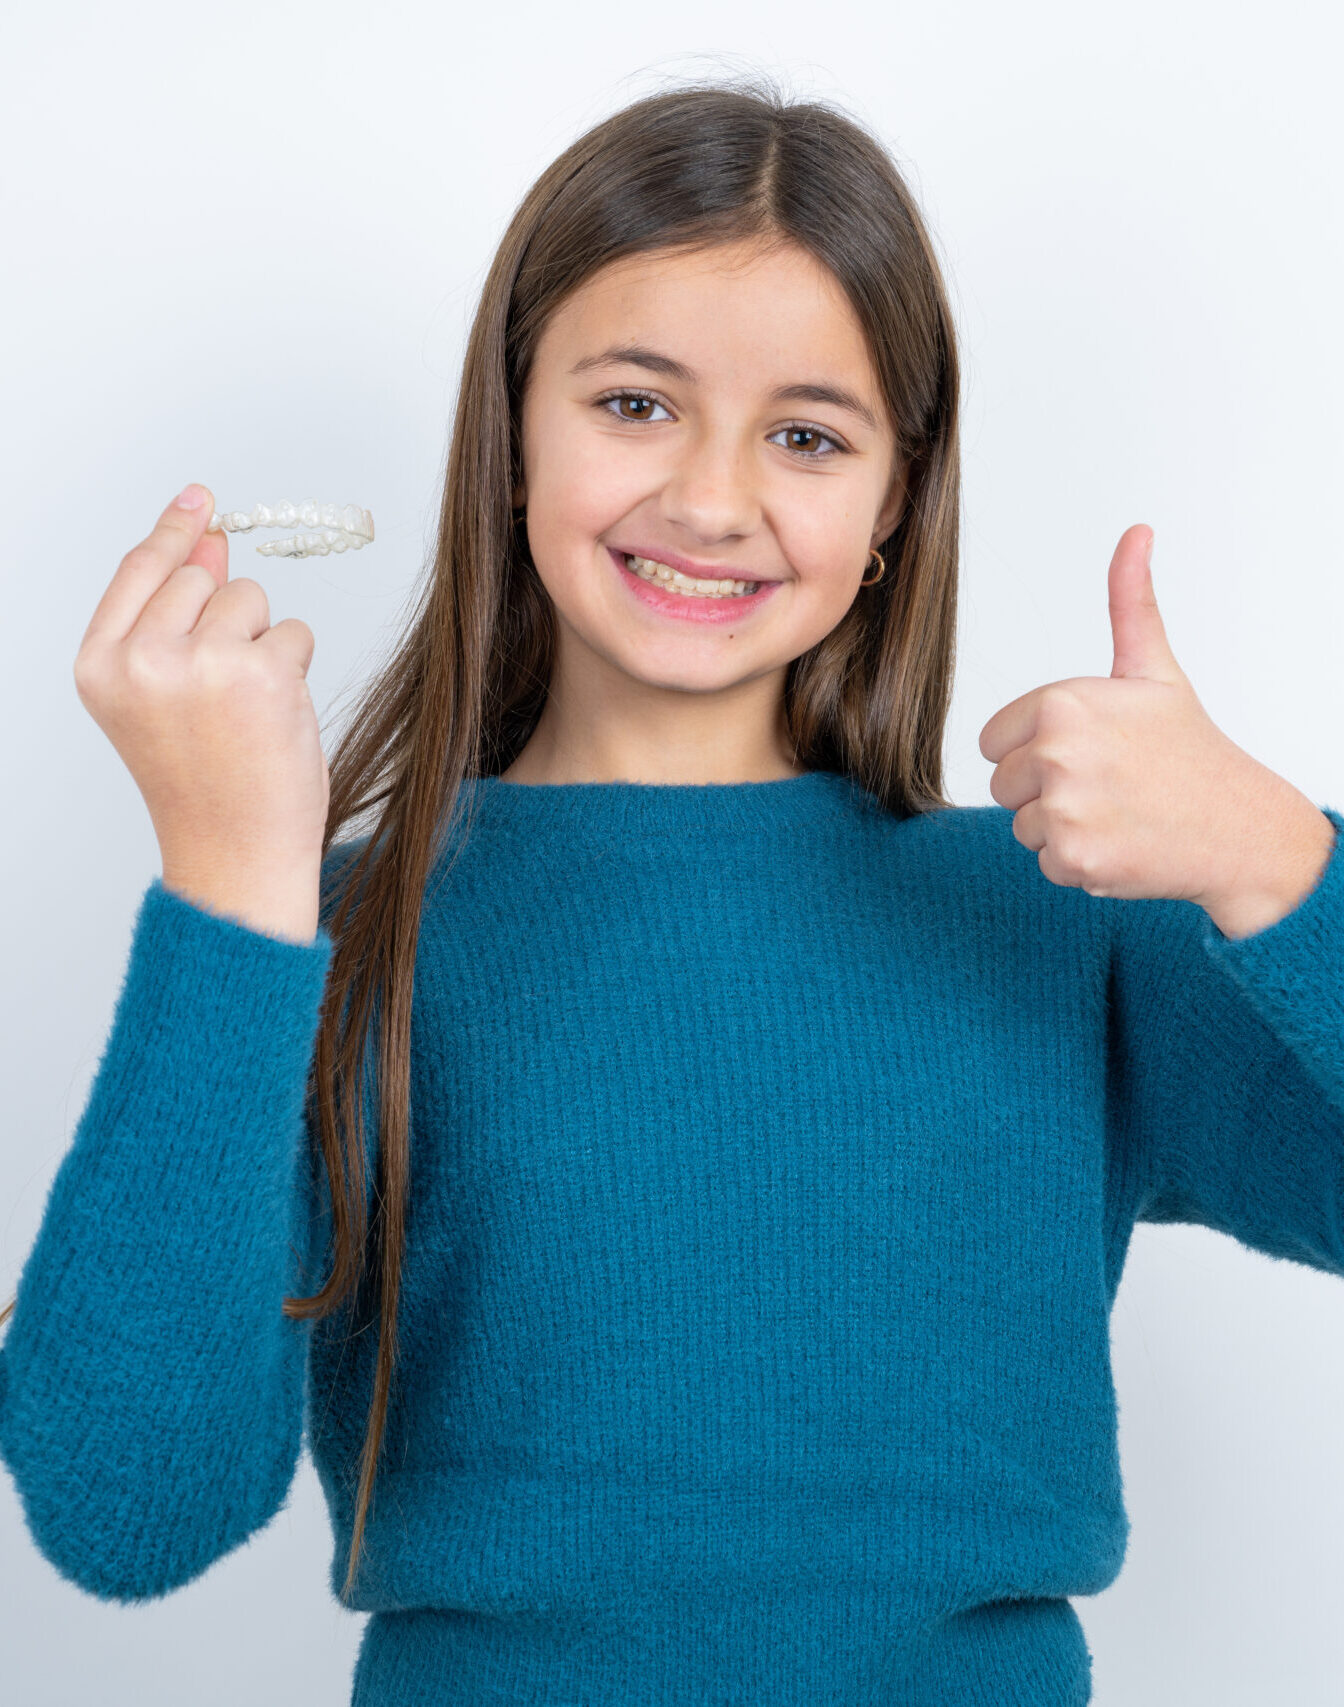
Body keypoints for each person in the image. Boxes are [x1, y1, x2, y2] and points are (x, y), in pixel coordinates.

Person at [1, 75, 1341, 1707]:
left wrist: (1282, 858)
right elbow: (127, 1513)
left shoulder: (1063, 911)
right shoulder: (339, 936)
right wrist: (229, 892)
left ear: (894, 499)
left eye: (805, 435)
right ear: (510, 436)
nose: (712, 499)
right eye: (635, 403)